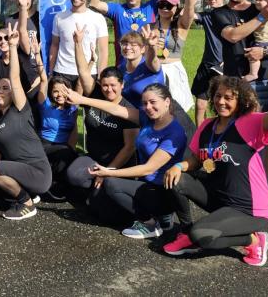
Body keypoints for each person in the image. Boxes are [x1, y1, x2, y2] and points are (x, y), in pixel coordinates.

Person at [162, 62, 268, 266]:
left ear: (240, 101)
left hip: (250, 208)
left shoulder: (250, 123)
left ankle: (253, 239)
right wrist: (179, 166)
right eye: (217, 96)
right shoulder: (207, 125)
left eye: (228, 98)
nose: (221, 102)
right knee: (176, 180)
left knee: (203, 235)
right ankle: (186, 232)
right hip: (220, 198)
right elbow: (198, 158)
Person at [60, 83, 187, 239]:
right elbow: (116, 109)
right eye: (145, 103)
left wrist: (109, 172)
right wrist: (82, 99)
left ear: (167, 102)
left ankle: (150, 223)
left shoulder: (175, 133)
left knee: (111, 184)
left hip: (161, 191)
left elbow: (148, 169)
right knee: (99, 207)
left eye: (153, 102)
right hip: (144, 184)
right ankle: (155, 215)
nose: (148, 107)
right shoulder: (148, 119)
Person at [207, 0, 268, 196]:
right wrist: (261, 17)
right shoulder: (220, 13)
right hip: (235, 78)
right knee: (235, 127)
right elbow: (233, 36)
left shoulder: (259, 5)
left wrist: (266, 50)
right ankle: (237, 177)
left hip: (264, 76)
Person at [0, 24, 52, 220]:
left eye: (5, 88)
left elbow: (14, 77)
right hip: (22, 171)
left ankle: (26, 203)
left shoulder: (20, 109)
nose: (0, 91)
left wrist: (13, 46)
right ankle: (26, 194)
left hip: (38, 173)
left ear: (13, 93)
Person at [65, 29, 139, 204]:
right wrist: (78, 42)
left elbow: (129, 148)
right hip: (93, 159)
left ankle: (105, 189)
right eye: (105, 85)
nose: (108, 89)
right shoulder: (95, 93)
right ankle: (95, 188)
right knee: (73, 175)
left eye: (113, 85)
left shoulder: (128, 110)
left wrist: (108, 171)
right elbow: (83, 71)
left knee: (102, 208)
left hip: (117, 165)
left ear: (122, 85)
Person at [89, 0, 184, 65]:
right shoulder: (117, 9)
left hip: (147, 66)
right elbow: (94, 3)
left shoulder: (150, 7)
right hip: (124, 66)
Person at [151, 0, 196, 112]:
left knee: (176, 112)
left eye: (169, 5)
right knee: (154, 111)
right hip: (153, 70)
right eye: (161, 5)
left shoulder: (181, 27)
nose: (164, 8)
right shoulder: (148, 27)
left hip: (173, 71)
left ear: (176, 8)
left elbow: (190, 11)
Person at [32, 56, 79, 201]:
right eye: (55, 91)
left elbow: (82, 82)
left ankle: (53, 186)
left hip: (63, 146)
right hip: (44, 143)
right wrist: (36, 54)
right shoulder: (45, 105)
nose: (59, 95)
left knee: (69, 156)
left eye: (63, 91)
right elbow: (44, 79)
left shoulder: (73, 107)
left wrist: (90, 62)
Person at [49, 0, 109, 85]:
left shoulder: (98, 18)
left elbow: (103, 50)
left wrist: (101, 75)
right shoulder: (59, 17)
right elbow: (54, 45)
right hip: (62, 72)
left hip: (89, 72)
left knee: (86, 102)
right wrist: (51, 70)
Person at [190, 0, 227, 125]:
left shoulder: (232, 14)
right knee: (200, 105)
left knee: (224, 106)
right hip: (207, 65)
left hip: (226, 67)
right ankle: (199, 138)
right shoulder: (206, 16)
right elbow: (184, 13)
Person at [0, 0, 39, 93]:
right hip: (17, 67)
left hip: (36, 69)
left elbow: (22, 31)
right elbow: (4, 43)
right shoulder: (9, 21)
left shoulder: (40, 19)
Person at [118, 27, 164, 107]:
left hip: (153, 114)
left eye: (133, 45)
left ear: (143, 49)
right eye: (124, 44)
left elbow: (153, 59)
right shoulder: (120, 69)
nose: (128, 47)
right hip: (128, 115)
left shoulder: (149, 65)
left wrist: (151, 46)